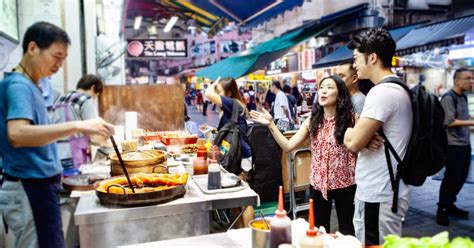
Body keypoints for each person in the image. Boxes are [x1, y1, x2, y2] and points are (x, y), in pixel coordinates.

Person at [0, 22, 114, 248]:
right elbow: (18, 134)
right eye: (56, 56)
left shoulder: (33, 86)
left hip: (39, 185)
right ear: (33, 48)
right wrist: (79, 125)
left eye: (64, 58)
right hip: (29, 186)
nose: (60, 65)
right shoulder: (19, 86)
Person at [251, 76, 357, 235]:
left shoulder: (352, 118)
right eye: (321, 87)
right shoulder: (313, 120)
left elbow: (364, 141)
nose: (323, 90)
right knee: (319, 230)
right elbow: (288, 146)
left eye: (329, 87)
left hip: (346, 184)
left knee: (347, 230)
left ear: (340, 94)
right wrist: (271, 124)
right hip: (318, 184)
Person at [343, 28, 412, 245]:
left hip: (378, 192)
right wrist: (360, 134)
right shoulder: (399, 87)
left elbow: (353, 142)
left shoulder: (381, 92)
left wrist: (347, 131)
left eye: (356, 59)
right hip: (388, 188)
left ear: (372, 57)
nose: (355, 65)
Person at [205, 77, 254, 226]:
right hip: (237, 156)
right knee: (237, 199)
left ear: (229, 93)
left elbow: (208, 93)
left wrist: (213, 83)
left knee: (244, 198)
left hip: (241, 157)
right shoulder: (234, 104)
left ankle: (249, 234)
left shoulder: (231, 102)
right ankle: (241, 232)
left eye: (219, 91)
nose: (217, 94)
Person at [436, 68, 474, 226]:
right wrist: (472, 122)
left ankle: (450, 204)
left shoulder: (463, 97)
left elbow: (462, 118)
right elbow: (448, 121)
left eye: (472, 79)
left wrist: (470, 120)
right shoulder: (448, 98)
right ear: (456, 80)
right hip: (452, 146)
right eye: (468, 78)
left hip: (465, 144)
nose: (471, 82)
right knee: (451, 178)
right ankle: (442, 210)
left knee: (461, 177)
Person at [51, 74, 106, 171]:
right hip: (74, 155)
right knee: (77, 185)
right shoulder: (85, 100)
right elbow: (94, 132)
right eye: (96, 96)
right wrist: (106, 144)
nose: (94, 99)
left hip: (56, 154)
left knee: (64, 184)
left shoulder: (61, 99)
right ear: (93, 88)